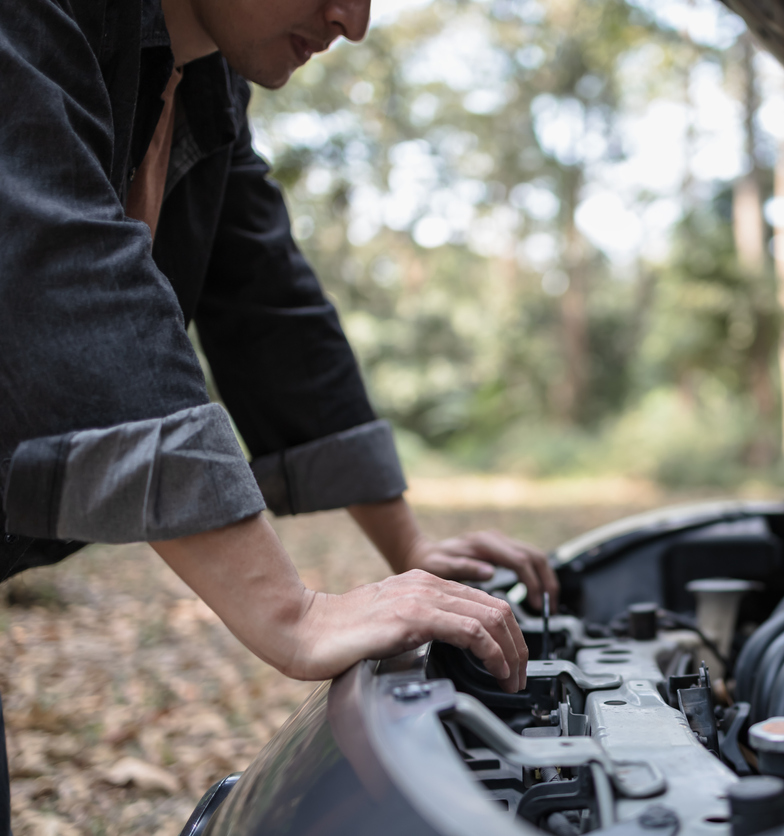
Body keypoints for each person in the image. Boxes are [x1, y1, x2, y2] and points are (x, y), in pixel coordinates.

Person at [0, 0, 556, 827]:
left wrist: (410, 548)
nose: (354, 20)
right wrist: (291, 614)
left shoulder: (206, 85)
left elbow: (268, 300)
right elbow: (59, 269)